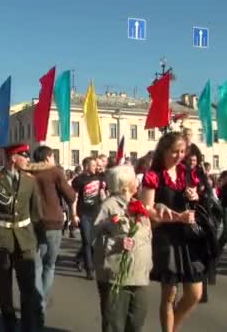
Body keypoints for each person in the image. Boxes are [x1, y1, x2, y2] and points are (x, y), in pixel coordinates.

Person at [139, 132, 207, 332]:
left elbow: (195, 203)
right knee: (169, 294)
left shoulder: (187, 173)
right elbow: (146, 209)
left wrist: (195, 196)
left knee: (195, 293)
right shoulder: (154, 176)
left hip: (189, 238)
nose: (179, 156)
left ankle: (172, 328)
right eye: (175, 151)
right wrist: (176, 216)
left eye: (182, 151)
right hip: (166, 237)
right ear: (164, 151)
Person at [0, 143, 41, 332]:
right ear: (13, 157)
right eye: (25, 155)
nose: (28, 159)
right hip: (3, 239)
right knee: (5, 286)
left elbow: (35, 213)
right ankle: (9, 322)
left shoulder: (30, 181)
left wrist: (37, 239)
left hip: (25, 239)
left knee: (28, 287)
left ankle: (28, 325)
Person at [93, 165, 152, 332]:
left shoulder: (137, 204)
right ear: (126, 185)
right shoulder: (108, 206)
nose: (138, 182)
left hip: (140, 274)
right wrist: (117, 242)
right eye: (134, 179)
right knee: (114, 324)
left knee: (136, 321)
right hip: (116, 276)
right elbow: (95, 237)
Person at [26, 146, 75, 328]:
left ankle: (36, 305)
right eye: (53, 156)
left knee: (37, 266)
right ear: (48, 157)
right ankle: (41, 304)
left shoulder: (29, 171)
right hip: (53, 222)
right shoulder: (55, 172)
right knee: (50, 265)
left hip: (34, 222)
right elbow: (70, 195)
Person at [72, 157, 106, 280]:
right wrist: (74, 215)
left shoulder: (100, 177)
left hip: (96, 214)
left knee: (92, 241)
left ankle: (79, 258)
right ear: (86, 166)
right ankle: (89, 269)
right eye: (93, 165)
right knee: (86, 241)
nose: (95, 167)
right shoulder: (78, 180)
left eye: (96, 166)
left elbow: (103, 193)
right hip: (84, 214)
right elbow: (74, 198)